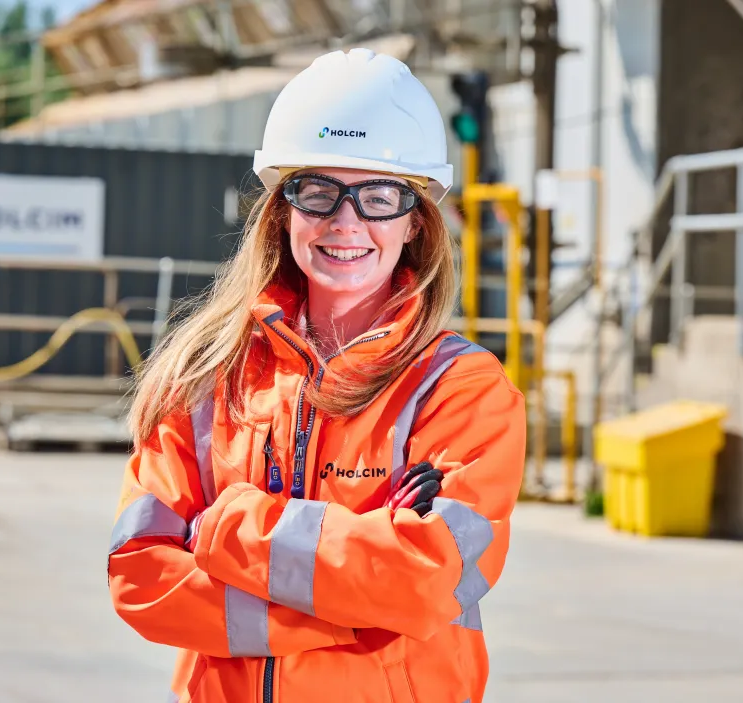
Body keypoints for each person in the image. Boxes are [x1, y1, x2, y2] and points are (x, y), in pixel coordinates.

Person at [107, 48, 526, 703]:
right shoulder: (206, 376)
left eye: (379, 196)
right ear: (283, 209)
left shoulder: (462, 390)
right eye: (319, 192)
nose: (345, 222)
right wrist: (355, 607)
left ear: (416, 221)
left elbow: (428, 580)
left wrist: (229, 524)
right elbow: (141, 577)